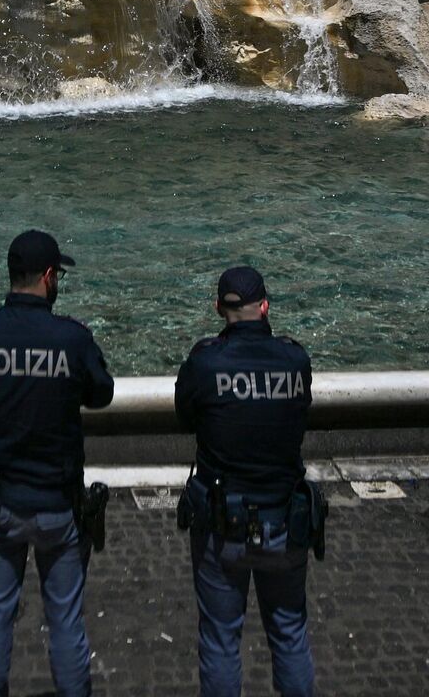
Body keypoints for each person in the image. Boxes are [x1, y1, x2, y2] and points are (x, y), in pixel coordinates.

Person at [0, 229, 116, 697]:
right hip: (59, 504)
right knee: (64, 621)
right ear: (46, 276)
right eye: (57, 273)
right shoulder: (72, 338)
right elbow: (102, 394)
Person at [174, 266, 320, 697]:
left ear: (219, 308)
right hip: (285, 518)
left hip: (223, 524)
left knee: (220, 640)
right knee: (290, 632)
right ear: (266, 307)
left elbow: (186, 418)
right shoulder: (295, 360)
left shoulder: (204, 362)